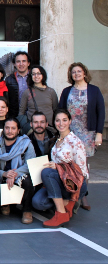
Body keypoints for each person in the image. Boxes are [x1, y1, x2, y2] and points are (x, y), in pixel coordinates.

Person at [58, 62, 104, 210]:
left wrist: (99, 133)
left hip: (87, 133)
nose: (76, 74)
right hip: (69, 132)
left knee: (82, 166)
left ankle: (83, 195)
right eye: (73, 72)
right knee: (69, 163)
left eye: (79, 71)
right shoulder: (66, 91)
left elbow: (100, 112)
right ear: (70, 75)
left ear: (84, 73)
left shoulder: (94, 91)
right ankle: (72, 193)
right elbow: (61, 111)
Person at [32, 109, 89, 228]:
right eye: (58, 120)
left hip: (73, 185)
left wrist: (58, 167)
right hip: (59, 183)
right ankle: (66, 205)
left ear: (70, 121)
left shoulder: (75, 142)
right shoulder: (57, 140)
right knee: (38, 202)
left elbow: (82, 172)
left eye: (64, 120)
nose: (61, 123)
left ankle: (61, 213)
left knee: (47, 172)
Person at [0, 118, 36, 224]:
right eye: (7, 128)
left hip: (18, 177)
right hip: (2, 178)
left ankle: (26, 210)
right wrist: (4, 174)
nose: (10, 131)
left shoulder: (26, 144)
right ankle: (6, 203)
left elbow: (30, 164)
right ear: (3, 130)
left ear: (18, 130)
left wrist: (14, 174)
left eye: (13, 128)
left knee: (28, 180)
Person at [19, 65, 58, 129]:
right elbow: (21, 112)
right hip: (32, 129)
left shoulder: (51, 91)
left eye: (38, 73)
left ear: (43, 75)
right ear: (31, 76)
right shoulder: (27, 92)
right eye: (33, 74)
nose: (36, 76)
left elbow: (56, 110)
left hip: (49, 128)